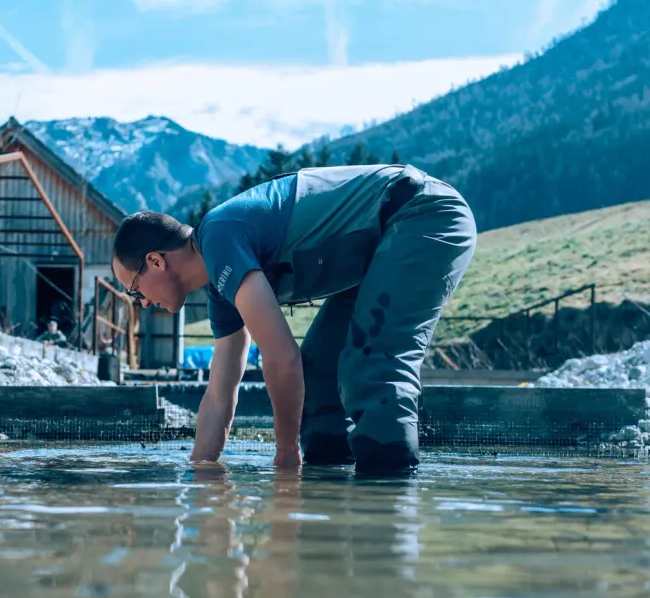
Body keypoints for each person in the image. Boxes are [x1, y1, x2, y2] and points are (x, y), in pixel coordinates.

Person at [110, 164, 476, 475]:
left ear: (156, 261)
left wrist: (286, 455)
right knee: (319, 374)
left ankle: (386, 515)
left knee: (372, 367)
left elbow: (281, 357)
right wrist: (199, 473)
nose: (140, 303)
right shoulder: (221, 291)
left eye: (134, 289)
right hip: (378, 250)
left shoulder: (219, 236)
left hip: (422, 214)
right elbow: (220, 394)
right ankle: (330, 514)